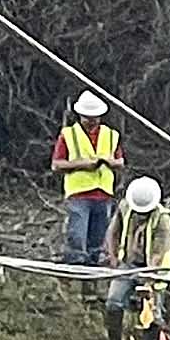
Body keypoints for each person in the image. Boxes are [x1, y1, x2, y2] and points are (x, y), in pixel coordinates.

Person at [102, 174, 170, 340]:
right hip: (128, 264)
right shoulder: (125, 207)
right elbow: (113, 231)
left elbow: (158, 253)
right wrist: (114, 257)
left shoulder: (162, 219)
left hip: (154, 270)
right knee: (113, 302)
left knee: (152, 312)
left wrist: (148, 282)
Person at [51, 90, 123, 264]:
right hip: (79, 193)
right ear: (80, 115)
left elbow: (120, 161)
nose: (91, 121)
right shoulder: (69, 135)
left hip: (103, 193)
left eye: (95, 117)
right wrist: (82, 164)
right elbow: (56, 164)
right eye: (87, 117)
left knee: (98, 240)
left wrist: (109, 162)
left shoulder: (111, 135)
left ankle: (94, 266)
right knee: (77, 237)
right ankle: (76, 267)